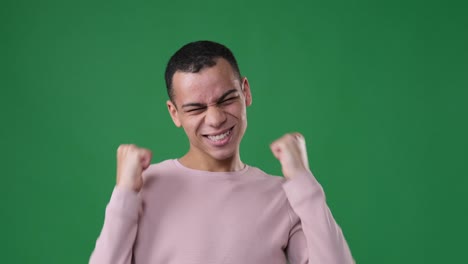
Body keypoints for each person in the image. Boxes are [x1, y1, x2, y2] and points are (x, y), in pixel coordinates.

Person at [89, 40, 355, 264]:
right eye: (196, 108)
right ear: (175, 113)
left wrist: (303, 182)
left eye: (226, 99)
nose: (215, 119)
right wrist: (124, 195)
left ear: (246, 92)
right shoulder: (143, 188)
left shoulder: (284, 196)